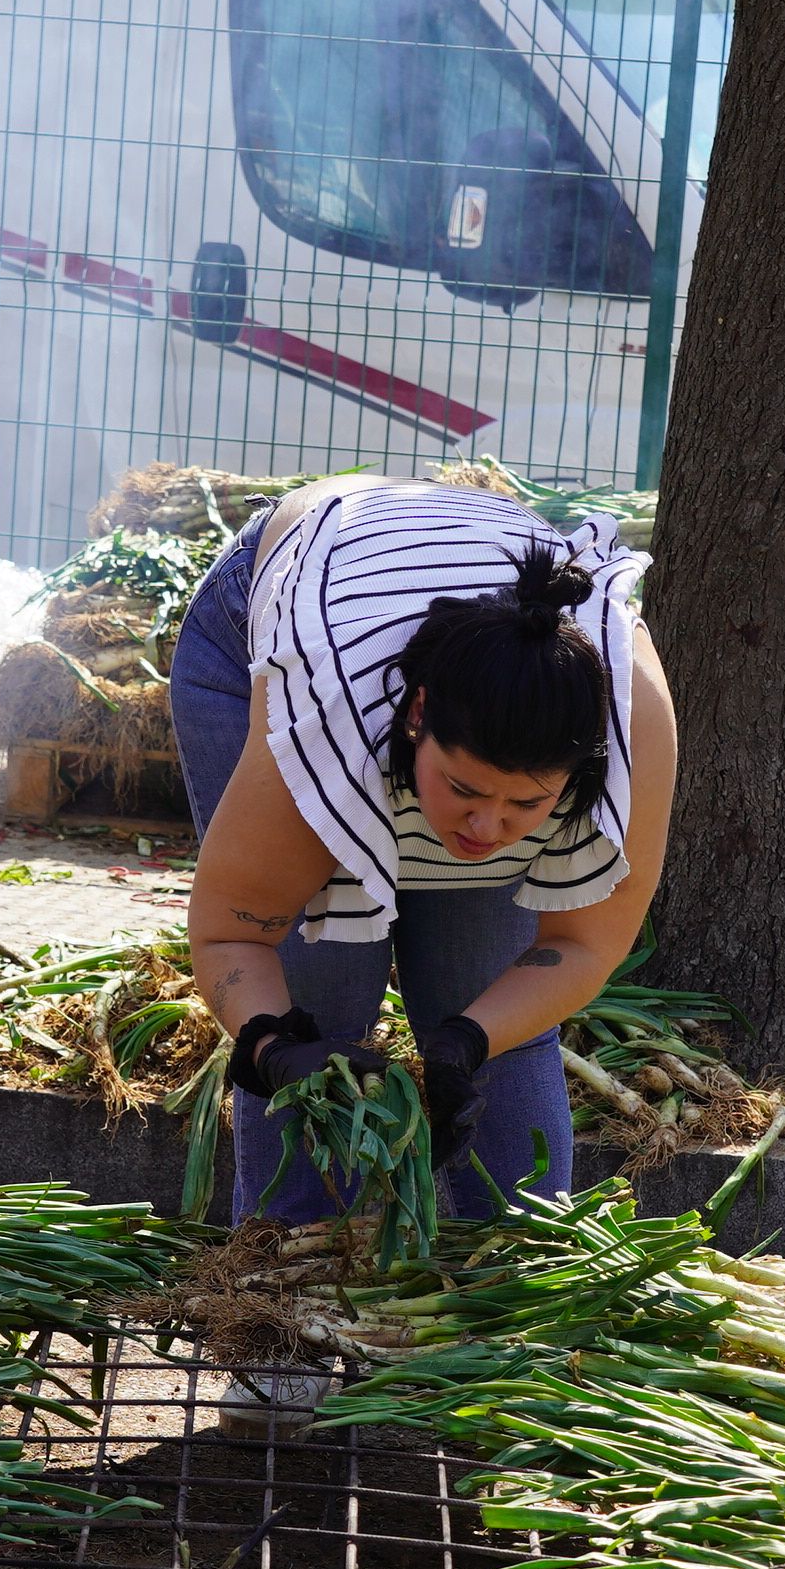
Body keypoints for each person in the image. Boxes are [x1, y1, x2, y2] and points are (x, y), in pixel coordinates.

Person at [176, 477, 677, 1223]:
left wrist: (469, 1040)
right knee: (322, 998)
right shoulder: (324, 721)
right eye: (466, 791)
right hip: (280, 602)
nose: (486, 829)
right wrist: (275, 1050)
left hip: (430, 579)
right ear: (416, 717)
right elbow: (233, 935)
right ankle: (282, 1282)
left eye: (526, 805)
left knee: (487, 1000)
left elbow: (584, 945)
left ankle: (515, 1269)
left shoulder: (632, 726)